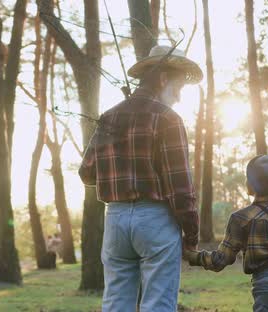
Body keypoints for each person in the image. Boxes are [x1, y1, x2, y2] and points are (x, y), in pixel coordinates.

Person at [78, 45, 203, 312]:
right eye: (178, 87)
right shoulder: (168, 119)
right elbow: (180, 188)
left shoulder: (109, 116)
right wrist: (191, 234)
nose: (179, 97)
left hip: (115, 219)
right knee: (158, 302)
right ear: (162, 79)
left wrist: (120, 171)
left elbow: (86, 173)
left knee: (115, 302)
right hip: (155, 219)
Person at [184, 155, 268, 312]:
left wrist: (191, 256)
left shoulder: (240, 218)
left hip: (266, 286)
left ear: (253, 184)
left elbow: (220, 260)